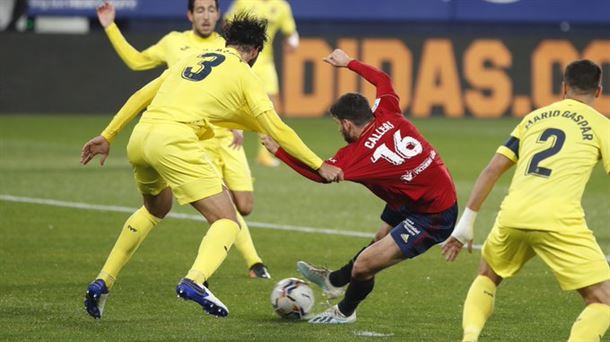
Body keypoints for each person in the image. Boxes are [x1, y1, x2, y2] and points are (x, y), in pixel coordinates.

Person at [81, 13, 342, 320]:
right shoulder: (244, 73)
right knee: (227, 221)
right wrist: (318, 164)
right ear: (256, 51)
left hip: (141, 138)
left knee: (155, 209)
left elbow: (142, 95)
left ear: (228, 41)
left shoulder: (193, 58)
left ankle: (103, 282)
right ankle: (194, 280)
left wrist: (108, 135)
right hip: (173, 140)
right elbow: (279, 128)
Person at [262, 49, 458, 324]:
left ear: (346, 123)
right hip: (418, 194)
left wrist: (279, 151)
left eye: (338, 126)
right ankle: (333, 280)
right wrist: (349, 63)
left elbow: (321, 174)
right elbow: (383, 79)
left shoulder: (355, 155)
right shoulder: (387, 110)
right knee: (379, 240)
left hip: (433, 214)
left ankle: (345, 312)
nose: (339, 131)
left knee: (365, 265)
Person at [96, 0, 271, 279]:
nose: (205, 15)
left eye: (211, 10)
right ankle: (251, 263)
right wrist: (111, 27)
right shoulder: (174, 43)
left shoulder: (231, 45)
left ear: (218, 15)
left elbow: (245, 91)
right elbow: (136, 61)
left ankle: (223, 265)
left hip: (227, 136)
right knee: (220, 204)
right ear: (190, 14)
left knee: (244, 205)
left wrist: (242, 123)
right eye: (199, 10)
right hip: (188, 137)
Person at [442, 59, 610, 342]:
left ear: (564, 88)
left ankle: (469, 338)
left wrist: (466, 222)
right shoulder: (602, 125)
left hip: (512, 215)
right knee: (602, 300)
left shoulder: (534, 118)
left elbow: (493, 168)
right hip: (559, 221)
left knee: (488, 274)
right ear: (599, 91)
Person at [225, 0, 300, 167]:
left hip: (265, 63)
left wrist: (293, 42)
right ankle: (228, 148)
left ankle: (265, 154)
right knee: (233, 103)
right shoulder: (243, 2)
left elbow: (291, 32)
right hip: (241, 59)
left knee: (273, 107)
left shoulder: (281, 6)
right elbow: (227, 23)